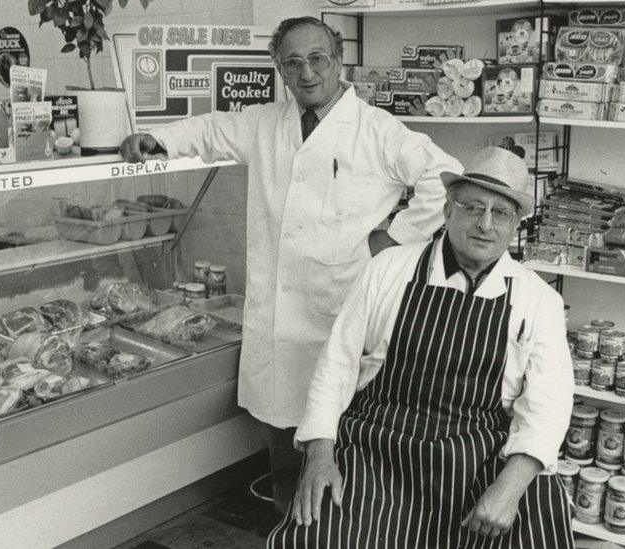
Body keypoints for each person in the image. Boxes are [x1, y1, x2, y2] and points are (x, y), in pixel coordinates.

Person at [119, 17, 461, 513]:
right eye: (292, 62)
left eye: (317, 58)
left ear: (338, 60)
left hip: (337, 309)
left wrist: (394, 237)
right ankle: (287, 528)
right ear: (279, 68)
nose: (307, 72)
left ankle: (340, 533)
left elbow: (445, 175)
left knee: (341, 447)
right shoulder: (266, 122)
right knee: (284, 445)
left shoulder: (374, 127)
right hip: (279, 319)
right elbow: (212, 128)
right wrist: (160, 139)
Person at [268, 146, 575, 548]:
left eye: (500, 213)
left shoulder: (538, 300)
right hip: (377, 447)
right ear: (448, 211)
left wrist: (509, 490)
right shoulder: (389, 269)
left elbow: (548, 408)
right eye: (472, 208)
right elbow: (336, 365)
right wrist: (320, 457)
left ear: (516, 224)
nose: (485, 224)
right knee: (318, 536)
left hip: (474, 456)